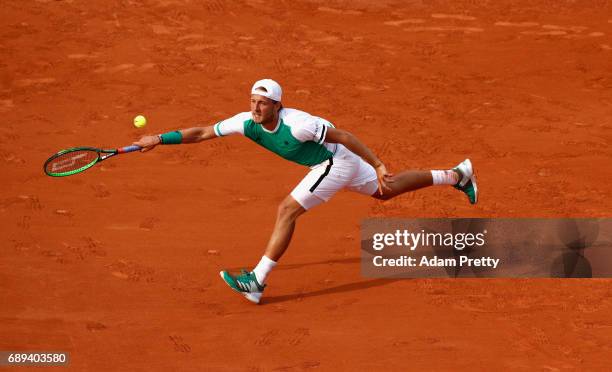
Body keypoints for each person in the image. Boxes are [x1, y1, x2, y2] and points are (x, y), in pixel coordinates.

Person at [134, 79, 478, 304]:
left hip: (335, 161)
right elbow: (203, 132)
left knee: (287, 209)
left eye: (263, 103)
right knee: (384, 192)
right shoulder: (245, 122)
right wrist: (158, 139)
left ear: (277, 106)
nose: (255, 108)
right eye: (253, 101)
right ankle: (456, 175)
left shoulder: (300, 124)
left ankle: (257, 280)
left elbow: (343, 137)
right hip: (330, 162)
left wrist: (377, 162)